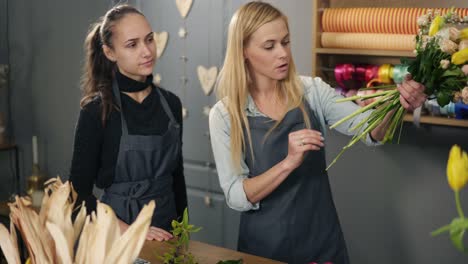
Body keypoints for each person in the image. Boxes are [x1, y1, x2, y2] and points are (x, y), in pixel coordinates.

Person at [209, 2, 427, 263]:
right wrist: (287, 163)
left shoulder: (312, 92)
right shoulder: (224, 115)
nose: (283, 54)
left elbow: (370, 132)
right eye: (270, 46)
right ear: (243, 50)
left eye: (286, 42)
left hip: (321, 244)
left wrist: (399, 104)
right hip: (263, 249)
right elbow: (236, 195)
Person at [69, 4, 187, 242]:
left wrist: (183, 233)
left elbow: (177, 178)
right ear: (110, 52)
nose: (147, 51)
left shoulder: (171, 104)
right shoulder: (97, 111)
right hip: (118, 234)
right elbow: (77, 195)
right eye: (132, 45)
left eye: (149, 40)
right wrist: (128, 230)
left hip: (168, 230)